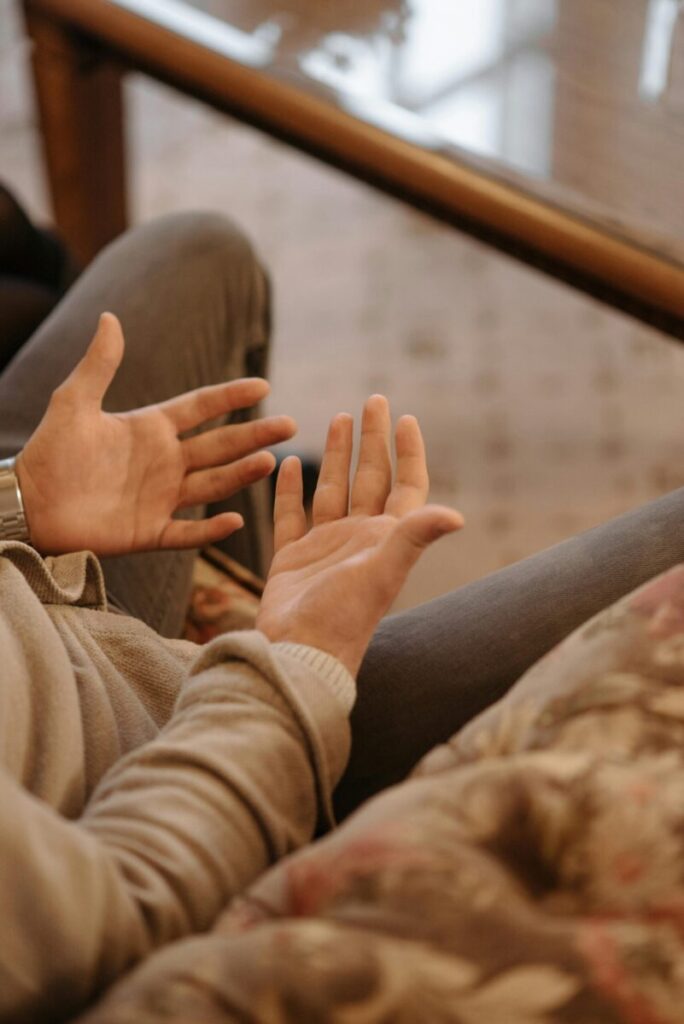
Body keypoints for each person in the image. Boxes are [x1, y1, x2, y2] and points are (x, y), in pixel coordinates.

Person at [1, 212, 683, 1021]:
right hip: (182, 757)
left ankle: (248, 545)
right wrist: (292, 660)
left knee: (198, 251)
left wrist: (19, 502)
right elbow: (119, 914)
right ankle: (273, 595)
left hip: (40, 596)